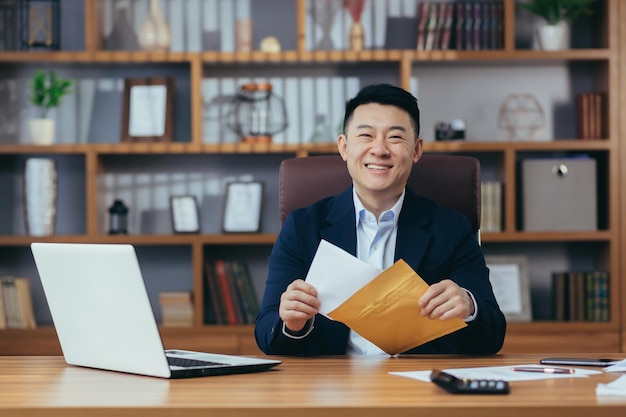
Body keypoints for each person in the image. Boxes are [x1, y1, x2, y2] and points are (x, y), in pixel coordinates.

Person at [254, 83, 506, 356]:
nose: (380, 149)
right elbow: (266, 333)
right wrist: (292, 323)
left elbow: (493, 336)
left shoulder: (452, 229)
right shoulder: (302, 227)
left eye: (395, 138)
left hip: (417, 387)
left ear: (417, 150)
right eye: (366, 135)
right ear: (344, 147)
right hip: (331, 387)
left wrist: (469, 306)